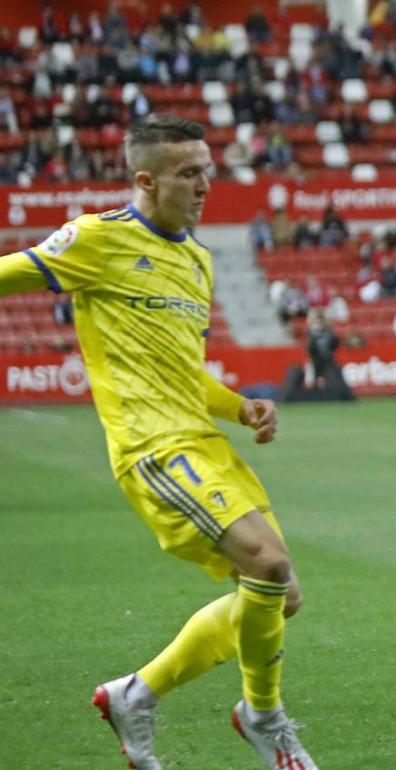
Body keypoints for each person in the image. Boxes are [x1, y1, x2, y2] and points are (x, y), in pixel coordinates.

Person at [0, 114, 317, 770]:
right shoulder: (95, 240)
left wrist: (240, 406)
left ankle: (136, 694)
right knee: (268, 562)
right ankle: (263, 718)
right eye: (188, 173)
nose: (205, 184)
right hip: (153, 449)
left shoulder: (197, 261)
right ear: (145, 180)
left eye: (208, 169)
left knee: (278, 598)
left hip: (203, 444)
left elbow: (182, 370)